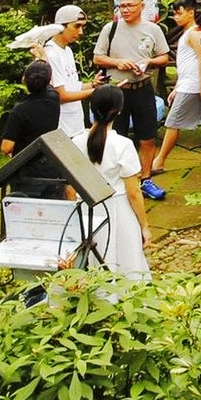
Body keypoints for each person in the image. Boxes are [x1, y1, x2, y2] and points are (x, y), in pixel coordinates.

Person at [91, 0, 171, 199]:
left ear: (141, 6)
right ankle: (116, 179)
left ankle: (145, 179)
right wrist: (118, 62)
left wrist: (147, 63)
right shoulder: (111, 28)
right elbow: (98, 58)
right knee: (116, 137)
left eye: (130, 6)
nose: (125, 10)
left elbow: (164, 57)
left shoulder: (153, 30)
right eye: (122, 6)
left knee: (147, 138)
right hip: (117, 91)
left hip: (143, 88)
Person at [83, 84, 150, 281]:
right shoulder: (123, 144)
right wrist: (144, 224)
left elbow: (69, 186)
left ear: (91, 108)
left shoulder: (76, 140)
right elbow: (133, 192)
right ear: (119, 111)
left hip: (86, 208)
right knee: (126, 262)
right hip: (117, 209)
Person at [151, 0, 201, 179]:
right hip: (189, 84)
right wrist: (178, 86)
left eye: (179, 14)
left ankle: (160, 160)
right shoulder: (189, 33)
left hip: (193, 86)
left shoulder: (194, 33)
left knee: (172, 122)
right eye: (174, 14)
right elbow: (188, 63)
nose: (176, 17)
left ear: (191, 13)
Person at [0, 62, 70, 199]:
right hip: (50, 164)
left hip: (26, 170)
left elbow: (6, 147)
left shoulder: (20, 110)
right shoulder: (53, 98)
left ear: (24, 80)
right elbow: (49, 83)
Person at [43, 5, 94, 134]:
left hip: (76, 123)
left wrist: (93, 84)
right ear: (61, 27)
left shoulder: (68, 50)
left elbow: (71, 86)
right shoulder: (51, 53)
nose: (81, 32)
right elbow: (61, 95)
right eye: (76, 26)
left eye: (83, 26)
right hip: (62, 126)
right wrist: (95, 92)